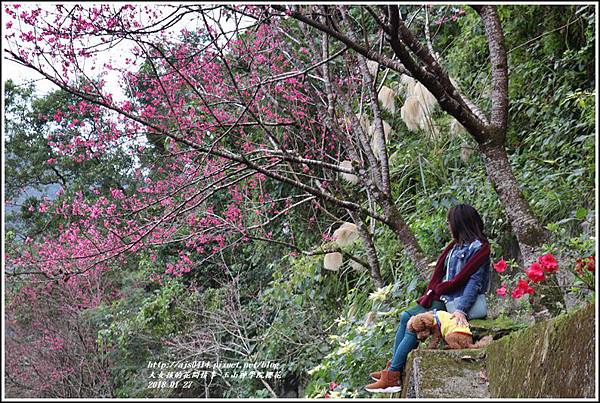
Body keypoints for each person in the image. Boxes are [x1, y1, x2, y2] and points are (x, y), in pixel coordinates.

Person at [364, 203, 491, 393]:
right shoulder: (455, 247)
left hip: (456, 303)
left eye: (450, 223)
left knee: (411, 320)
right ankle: (391, 370)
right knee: (406, 317)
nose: (448, 226)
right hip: (446, 297)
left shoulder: (479, 248)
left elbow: (474, 283)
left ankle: (392, 375)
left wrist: (461, 310)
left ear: (459, 224)